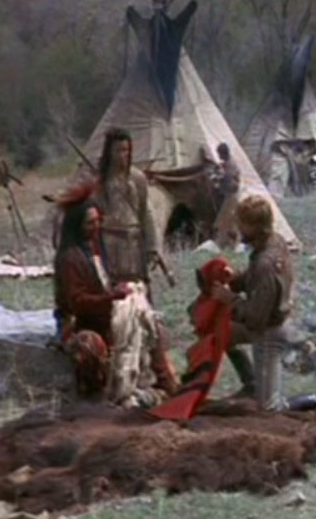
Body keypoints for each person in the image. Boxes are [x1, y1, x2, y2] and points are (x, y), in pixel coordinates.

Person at [52, 187, 176, 406]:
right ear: (77, 226)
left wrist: (120, 291)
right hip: (80, 321)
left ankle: (164, 384)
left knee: (147, 323)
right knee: (92, 345)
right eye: (90, 223)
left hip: (101, 314)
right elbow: (77, 303)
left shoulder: (94, 250)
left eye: (97, 221)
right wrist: (111, 298)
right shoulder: (69, 259)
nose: (96, 227)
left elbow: (102, 284)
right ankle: (110, 393)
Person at [212, 196, 294, 411]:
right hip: (271, 323)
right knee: (220, 331)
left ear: (254, 226)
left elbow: (256, 319)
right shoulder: (274, 242)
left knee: (269, 406)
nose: (238, 227)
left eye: (242, 223)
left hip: (268, 331)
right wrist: (235, 280)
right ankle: (251, 383)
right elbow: (254, 278)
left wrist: (229, 299)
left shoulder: (265, 263)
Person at [149, 256, 237, 421]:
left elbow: (200, 321)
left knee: (200, 379)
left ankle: (180, 408)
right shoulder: (217, 295)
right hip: (208, 342)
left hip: (210, 343)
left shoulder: (217, 297)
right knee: (199, 379)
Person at [93, 128, 159, 286]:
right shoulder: (100, 181)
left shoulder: (137, 178)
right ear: (110, 152)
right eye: (119, 150)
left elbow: (145, 212)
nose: (123, 155)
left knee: (136, 287)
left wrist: (152, 247)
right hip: (109, 243)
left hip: (133, 243)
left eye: (126, 150)